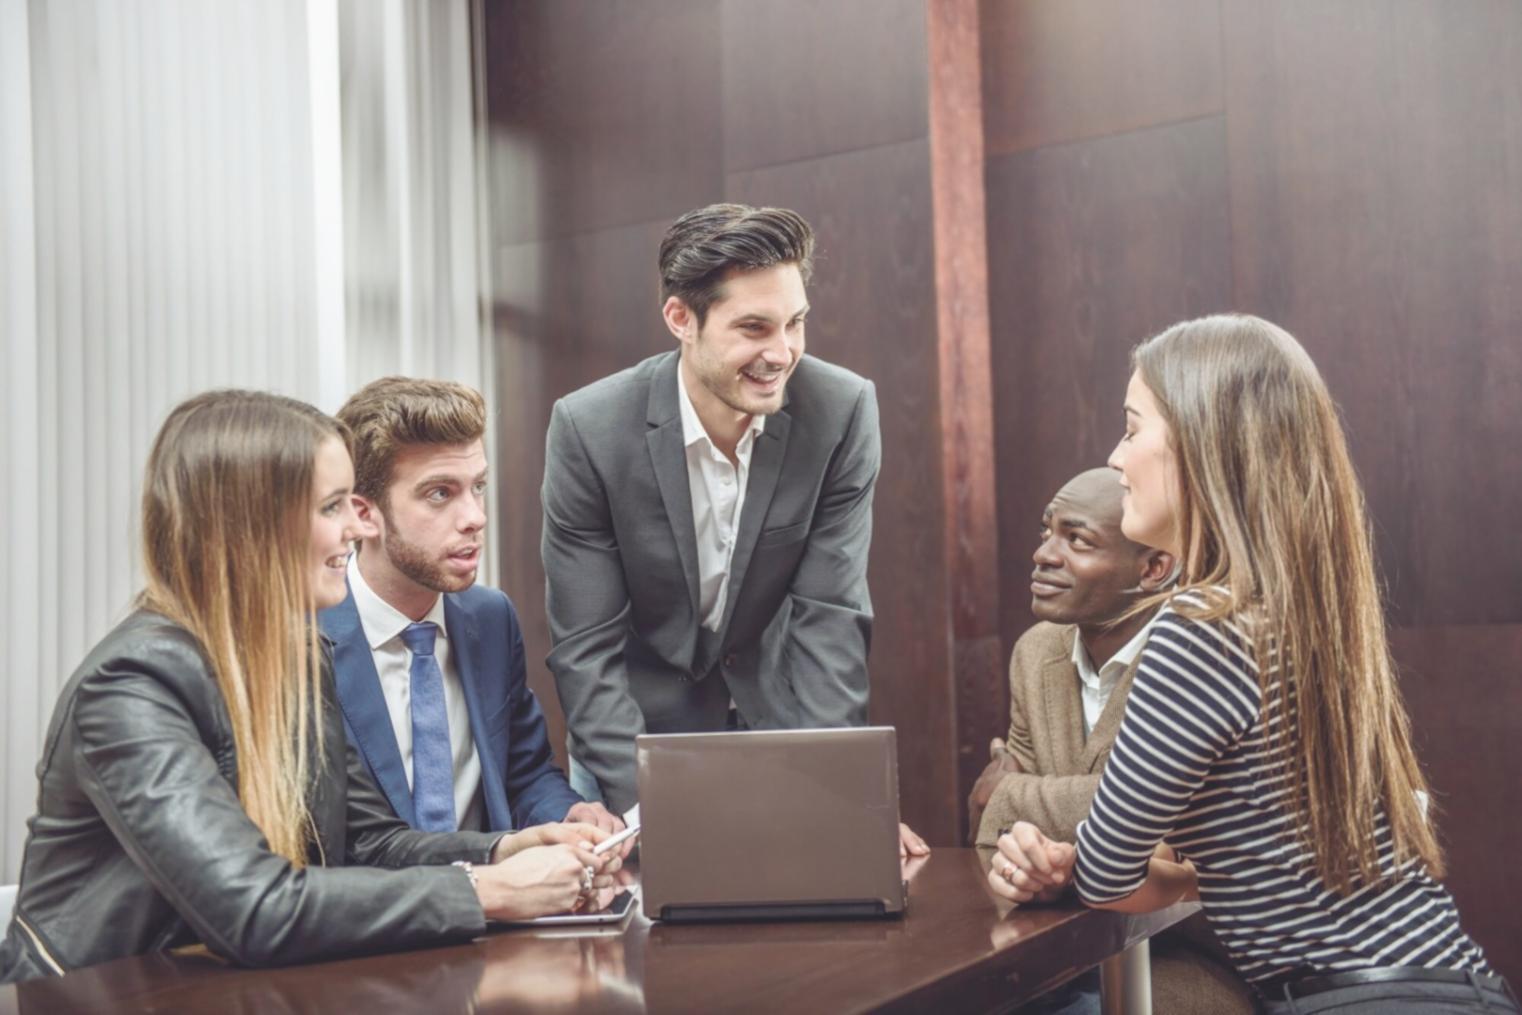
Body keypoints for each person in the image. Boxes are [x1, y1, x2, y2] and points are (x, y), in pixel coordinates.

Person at [989, 315, 1517, 1013]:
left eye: (1132, 428)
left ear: (1199, 446)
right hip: (1449, 989)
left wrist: (1070, 860)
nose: (1116, 458)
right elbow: (1270, 862)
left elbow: (1108, 873)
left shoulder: (1199, 627)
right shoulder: (1301, 612)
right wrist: (1173, 874)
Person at [0, 391, 617, 984]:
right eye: (331, 507)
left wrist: (507, 849)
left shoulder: (295, 655)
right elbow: (252, 906)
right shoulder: (132, 684)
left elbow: (370, 843)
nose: (355, 527)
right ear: (249, 526)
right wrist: (487, 890)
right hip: (104, 996)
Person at [541, 202, 927, 856]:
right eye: (754, 327)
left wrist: (839, 798)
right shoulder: (590, 430)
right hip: (632, 743)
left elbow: (830, 619)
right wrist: (651, 814)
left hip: (781, 737)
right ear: (680, 319)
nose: (782, 353)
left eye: (795, 322)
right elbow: (586, 646)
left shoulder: (840, 411)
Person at [969, 468, 1252, 1015]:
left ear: (1153, 569)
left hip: (1189, 949)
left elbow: (1179, 825)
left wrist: (1011, 794)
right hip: (1056, 939)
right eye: (1047, 532)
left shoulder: (1201, 651)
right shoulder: (1035, 651)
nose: (1043, 555)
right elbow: (990, 829)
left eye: (1076, 540)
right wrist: (1031, 842)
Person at [321, 377, 623, 842]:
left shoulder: (490, 617)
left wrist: (566, 817)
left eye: (477, 487)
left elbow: (524, 774)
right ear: (365, 515)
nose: (475, 517)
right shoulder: (304, 639)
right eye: (439, 494)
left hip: (502, 887)